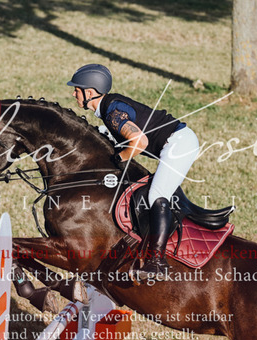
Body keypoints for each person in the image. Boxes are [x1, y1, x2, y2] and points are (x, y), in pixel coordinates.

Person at [67, 64, 200, 283]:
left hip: (180, 144)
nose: (74, 94)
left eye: (76, 90)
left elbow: (139, 142)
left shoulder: (113, 112)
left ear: (89, 92)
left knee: (157, 195)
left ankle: (157, 262)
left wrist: (120, 158)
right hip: (176, 141)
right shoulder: (109, 108)